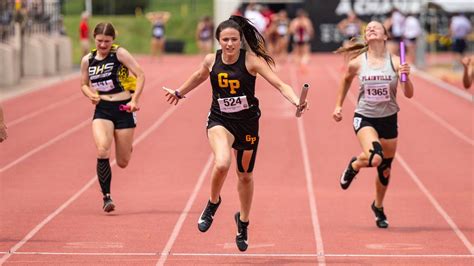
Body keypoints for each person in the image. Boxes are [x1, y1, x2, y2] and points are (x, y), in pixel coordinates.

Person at [162, 15, 307, 252]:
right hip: (220, 120)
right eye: (225, 40)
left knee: (245, 176)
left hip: (248, 125)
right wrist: (179, 92)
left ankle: (243, 222)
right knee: (222, 162)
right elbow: (199, 76)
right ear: (218, 41)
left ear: (241, 41)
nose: (229, 44)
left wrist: (295, 101)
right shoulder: (211, 60)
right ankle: (212, 203)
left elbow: (280, 85)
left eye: (233, 39)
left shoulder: (251, 62)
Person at [333, 21, 414, 229]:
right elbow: (345, 79)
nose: (370, 29)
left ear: (385, 36)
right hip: (365, 117)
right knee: (375, 157)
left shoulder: (396, 62)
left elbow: (409, 94)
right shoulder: (358, 62)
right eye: (367, 28)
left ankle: (378, 206)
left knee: (385, 169)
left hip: (389, 119)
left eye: (376, 27)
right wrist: (338, 105)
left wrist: (406, 77)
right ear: (366, 37)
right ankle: (354, 165)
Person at [80, 22, 145, 213]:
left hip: (124, 108)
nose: (103, 45)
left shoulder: (120, 54)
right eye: (100, 41)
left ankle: (126, 145)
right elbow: (83, 83)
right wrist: (89, 93)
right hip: (102, 109)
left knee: (123, 162)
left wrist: (135, 99)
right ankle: (106, 197)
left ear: (112, 40)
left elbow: (140, 75)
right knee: (102, 150)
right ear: (94, 38)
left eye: (107, 41)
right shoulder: (88, 60)